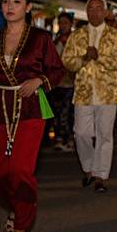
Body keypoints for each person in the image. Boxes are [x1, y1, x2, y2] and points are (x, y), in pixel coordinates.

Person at [0, 0, 64, 232]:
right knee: (2, 172)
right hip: (0, 107)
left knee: (21, 170)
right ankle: (15, 207)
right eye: (5, 1)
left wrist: (39, 79)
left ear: (27, 8)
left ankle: (22, 225)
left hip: (30, 110)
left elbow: (57, 70)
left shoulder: (40, 38)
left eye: (16, 1)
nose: (9, 6)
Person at [62, 0, 117, 193]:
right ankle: (89, 167)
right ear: (87, 11)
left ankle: (100, 176)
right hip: (83, 92)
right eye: (91, 8)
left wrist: (100, 57)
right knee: (80, 132)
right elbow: (67, 61)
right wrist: (83, 58)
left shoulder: (115, 35)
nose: (94, 12)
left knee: (104, 135)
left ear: (105, 13)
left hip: (107, 93)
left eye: (99, 8)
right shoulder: (77, 35)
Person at [51, 12, 75, 151]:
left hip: (71, 82)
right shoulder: (56, 40)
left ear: (71, 24)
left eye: (66, 23)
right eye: (61, 23)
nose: (63, 25)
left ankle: (69, 138)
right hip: (58, 82)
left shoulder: (75, 40)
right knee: (58, 111)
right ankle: (60, 138)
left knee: (68, 112)